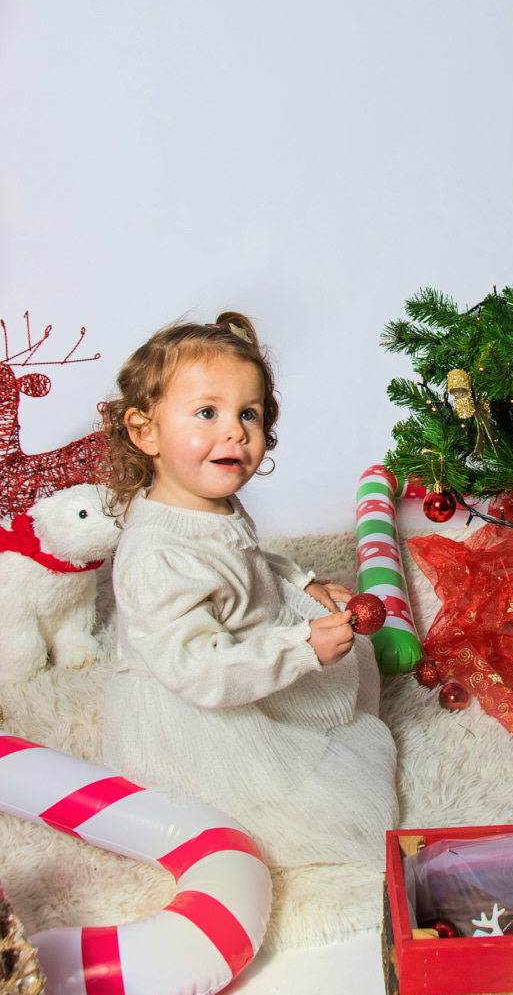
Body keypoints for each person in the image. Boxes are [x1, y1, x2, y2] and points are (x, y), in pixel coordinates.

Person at [99, 311, 398, 868]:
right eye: (207, 413)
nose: (235, 431)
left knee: (348, 659)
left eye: (249, 414)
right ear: (146, 432)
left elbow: (247, 558)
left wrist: (304, 581)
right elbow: (201, 670)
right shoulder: (155, 555)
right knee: (321, 807)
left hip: (241, 640)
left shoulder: (208, 503)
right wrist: (299, 646)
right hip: (196, 708)